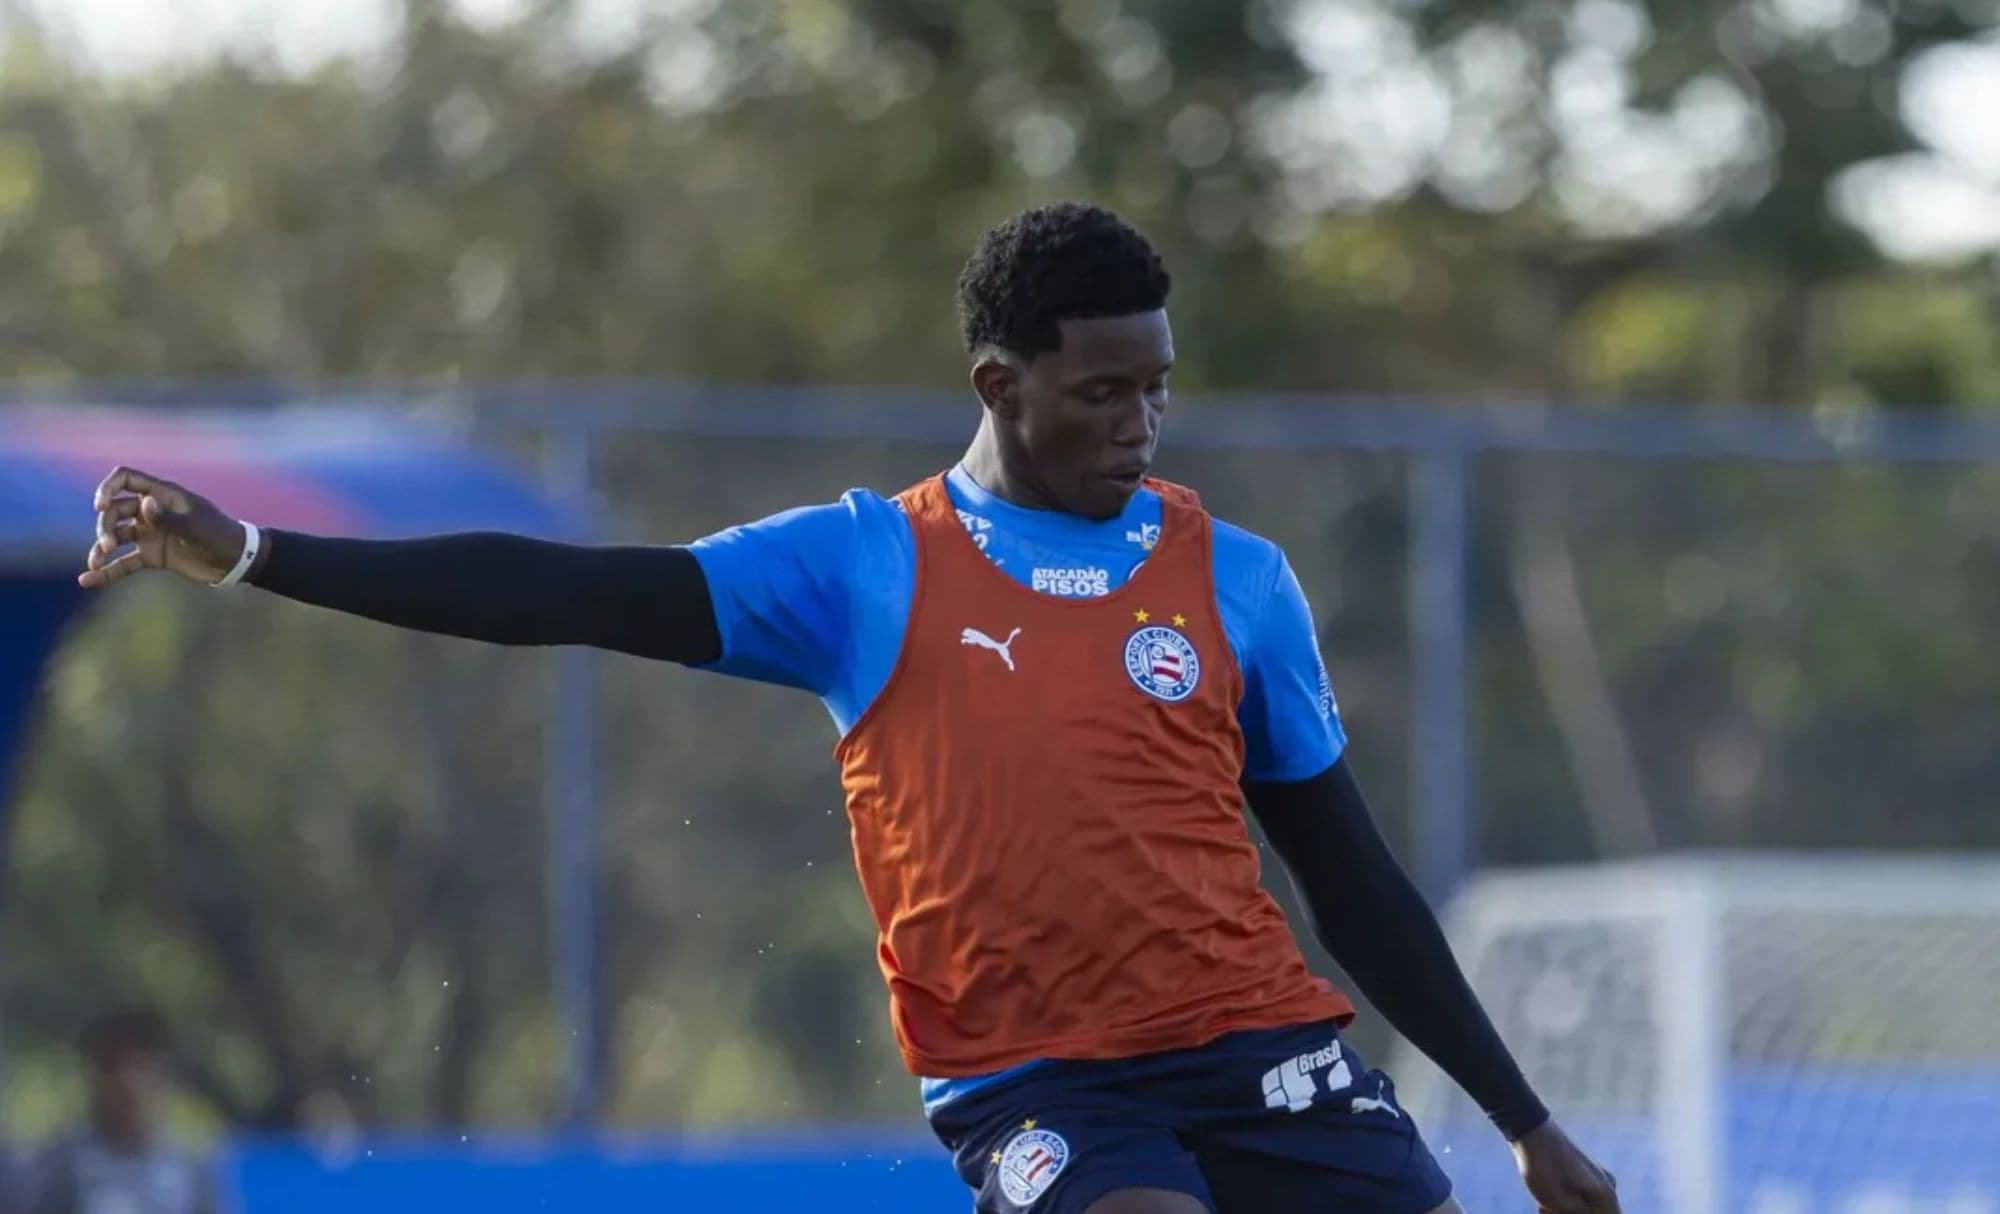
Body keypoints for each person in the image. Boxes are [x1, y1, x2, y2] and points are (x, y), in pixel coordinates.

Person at [78, 202, 1620, 1214]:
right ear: (999, 381)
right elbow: (565, 590)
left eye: (1158, 388)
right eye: (1101, 393)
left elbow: (1348, 872)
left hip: (1258, 1044)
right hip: (1045, 1084)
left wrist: (1524, 1118)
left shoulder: (1240, 581)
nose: (1140, 423)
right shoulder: (864, 567)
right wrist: (259, 554)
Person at [27, 1010, 229, 1214]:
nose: (129, 1082)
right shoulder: (63, 1166)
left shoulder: (190, 1172)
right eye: (113, 1066)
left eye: (142, 1065)